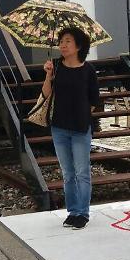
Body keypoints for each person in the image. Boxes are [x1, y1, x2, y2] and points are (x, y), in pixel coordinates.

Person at [43, 27, 100, 230]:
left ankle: (83, 213)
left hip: (80, 127)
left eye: (67, 41)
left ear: (78, 45)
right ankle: (73, 211)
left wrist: (82, 114)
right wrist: (48, 75)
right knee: (67, 172)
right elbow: (46, 94)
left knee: (82, 171)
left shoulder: (88, 70)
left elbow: (94, 100)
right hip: (59, 127)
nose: (63, 45)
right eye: (61, 41)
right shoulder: (56, 66)